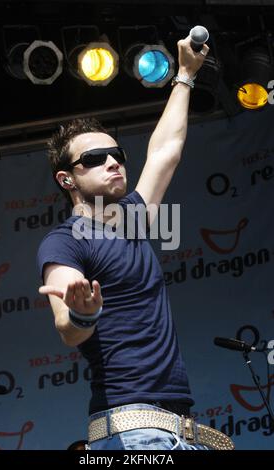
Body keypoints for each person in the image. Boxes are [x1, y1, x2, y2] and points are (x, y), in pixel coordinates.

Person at [37, 35, 234, 451]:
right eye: (92, 159)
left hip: (178, 426)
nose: (111, 161)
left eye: (116, 153)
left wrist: (183, 75)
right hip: (132, 430)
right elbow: (65, 329)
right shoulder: (65, 242)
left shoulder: (131, 219)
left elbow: (165, 149)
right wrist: (83, 314)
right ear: (66, 179)